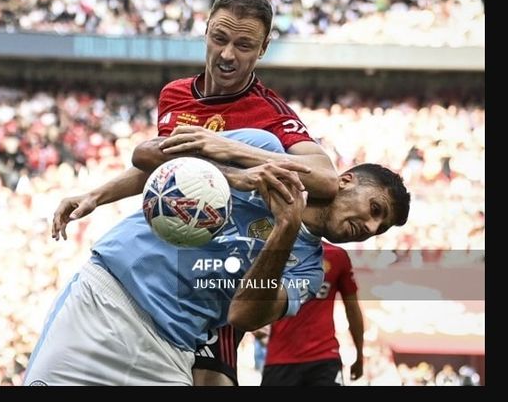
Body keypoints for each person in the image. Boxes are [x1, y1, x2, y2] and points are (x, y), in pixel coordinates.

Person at [24, 129, 410, 385]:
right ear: (345, 181)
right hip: (108, 301)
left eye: (382, 227)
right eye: (375, 209)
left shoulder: (311, 270)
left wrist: (284, 230)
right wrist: (235, 174)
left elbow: (243, 315)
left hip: (171, 350)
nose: (372, 228)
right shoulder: (264, 149)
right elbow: (149, 157)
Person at [51, 0, 339, 243]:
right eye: (219, 38)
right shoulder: (174, 94)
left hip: (227, 247)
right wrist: (95, 196)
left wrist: (231, 149)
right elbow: (162, 164)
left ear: (263, 48)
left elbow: (326, 178)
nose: (227, 54)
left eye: (243, 45)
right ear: (206, 32)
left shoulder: (268, 111)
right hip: (181, 231)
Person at [261, 242, 364, 386]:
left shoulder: (337, 255)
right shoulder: (274, 252)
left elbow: (352, 309)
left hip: (324, 357)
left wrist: (360, 354)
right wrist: (255, 325)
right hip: (280, 358)